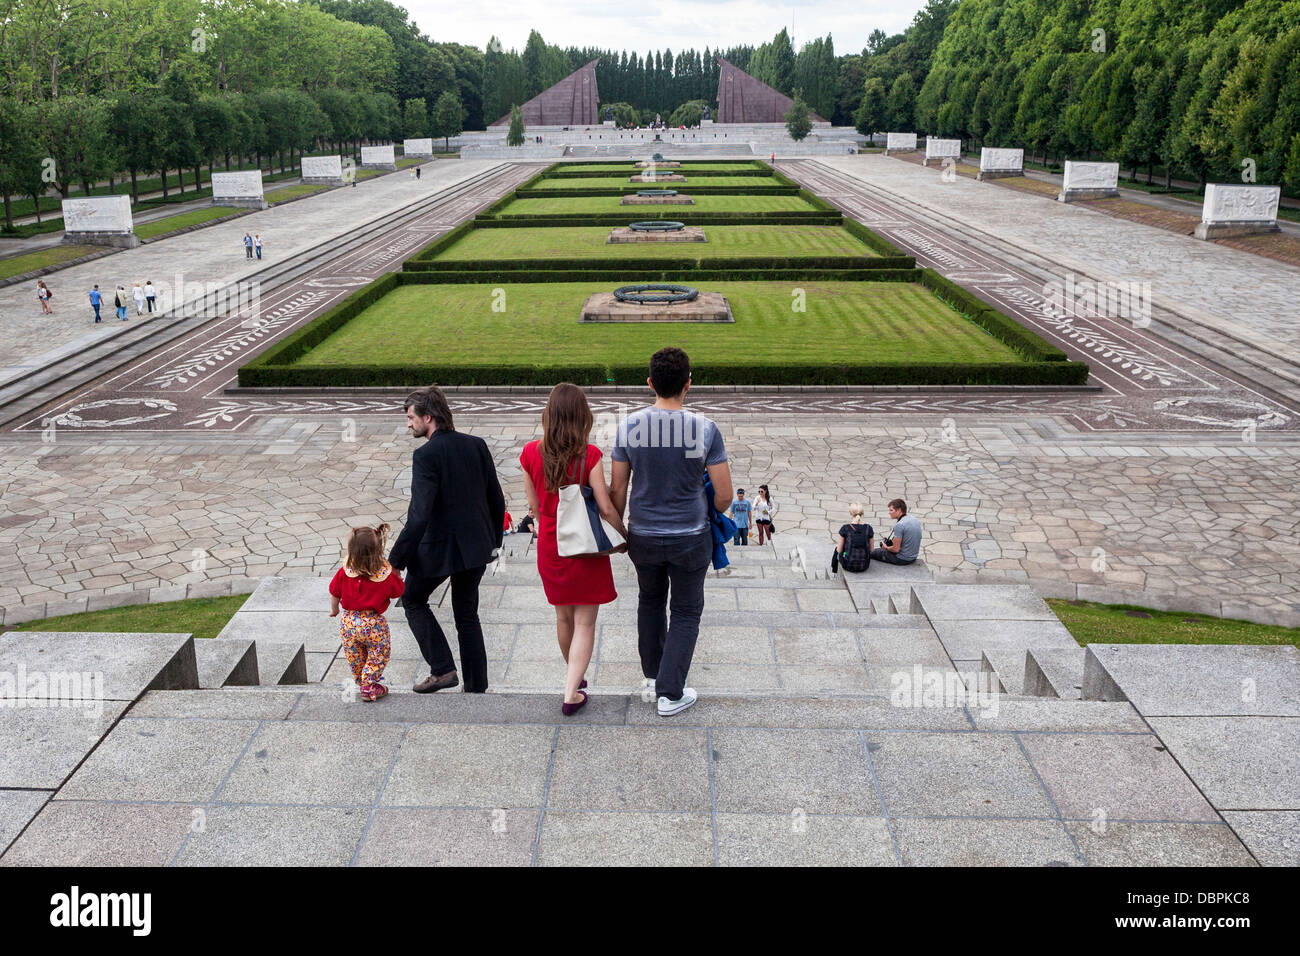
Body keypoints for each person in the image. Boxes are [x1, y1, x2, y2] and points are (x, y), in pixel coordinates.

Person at [611, 347, 733, 717]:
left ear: (650, 384)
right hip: (690, 536)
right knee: (684, 610)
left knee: (649, 601)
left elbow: (618, 492)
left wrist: (618, 532)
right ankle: (670, 691)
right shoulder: (706, 429)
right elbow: (725, 498)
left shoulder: (627, 426)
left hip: (643, 535)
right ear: (688, 385)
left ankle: (653, 676)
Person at [388, 386, 505, 694]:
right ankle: (476, 685)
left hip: (438, 550)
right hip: (476, 548)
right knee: (466, 613)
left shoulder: (425, 455)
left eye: (411, 417)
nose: (408, 424)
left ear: (429, 417)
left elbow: (419, 516)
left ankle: (442, 670)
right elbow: (497, 499)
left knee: (413, 599)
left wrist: (395, 561)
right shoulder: (476, 445)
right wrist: (493, 544)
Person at [520, 383, 625, 715]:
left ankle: (574, 681)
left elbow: (534, 510)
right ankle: (570, 692)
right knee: (585, 623)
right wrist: (623, 539)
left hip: (551, 545)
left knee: (564, 618)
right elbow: (606, 508)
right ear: (582, 415)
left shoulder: (529, 453)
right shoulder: (589, 455)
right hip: (584, 545)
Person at [329, 524, 404, 702]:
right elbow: (398, 591)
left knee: (355, 654)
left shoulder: (344, 572)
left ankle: (361, 680)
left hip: (349, 622)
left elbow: (334, 593)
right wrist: (397, 576)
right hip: (373, 624)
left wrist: (334, 610)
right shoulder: (384, 575)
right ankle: (369, 685)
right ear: (378, 549)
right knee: (379, 652)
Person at [872, 498, 922, 565]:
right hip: (913, 556)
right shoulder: (914, 519)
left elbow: (896, 549)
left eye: (891, 510)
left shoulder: (900, 525)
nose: (889, 512)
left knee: (873, 552)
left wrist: (886, 547)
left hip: (902, 559)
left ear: (899, 510)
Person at [833, 503, 874, 574]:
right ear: (862, 513)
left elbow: (839, 550)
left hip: (847, 565)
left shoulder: (845, 528)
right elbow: (871, 550)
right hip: (864, 565)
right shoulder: (868, 528)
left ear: (850, 513)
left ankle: (834, 570)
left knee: (837, 550)